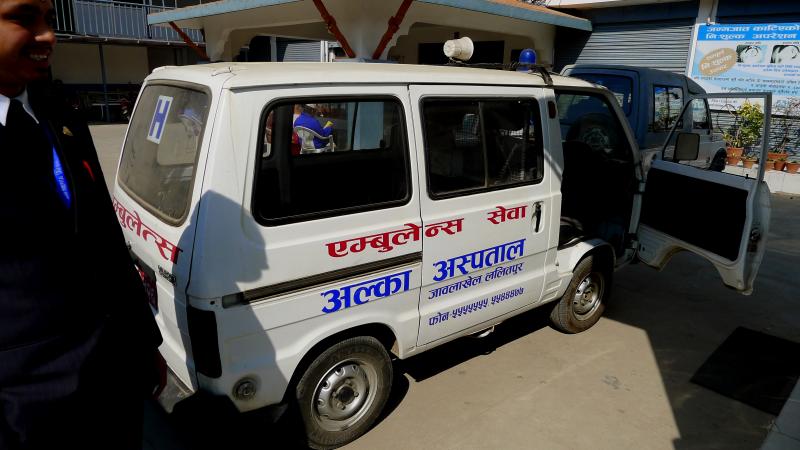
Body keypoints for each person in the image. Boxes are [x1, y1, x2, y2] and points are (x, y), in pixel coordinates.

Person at [0, 0, 162, 448]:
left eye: (50, 20)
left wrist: (145, 342)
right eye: (23, 18)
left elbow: (105, 238)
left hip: (112, 374)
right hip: (25, 407)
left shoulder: (60, 114)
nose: (48, 35)